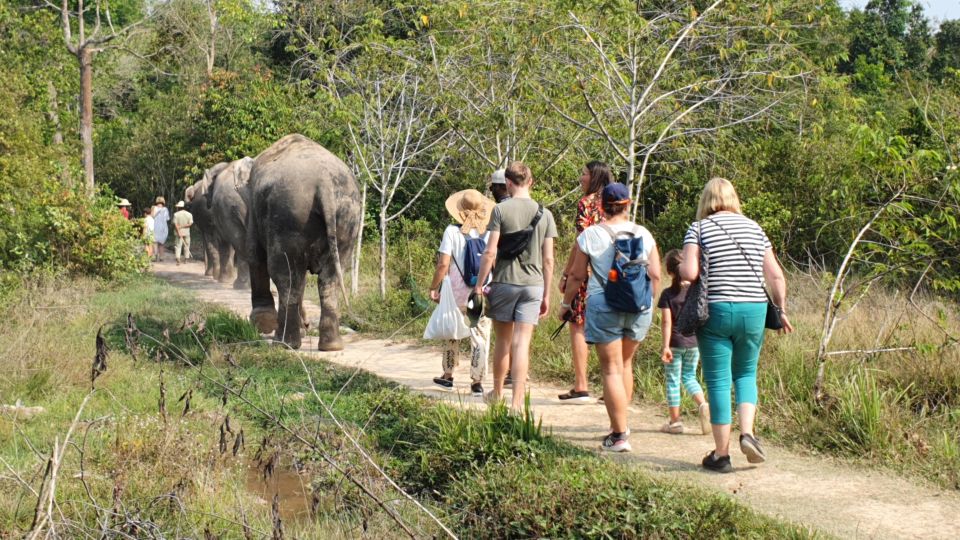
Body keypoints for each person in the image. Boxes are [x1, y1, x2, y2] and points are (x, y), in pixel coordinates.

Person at [679, 177, 794, 473]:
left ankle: (721, 454)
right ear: (733, 198)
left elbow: (690, 272)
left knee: (717, 380)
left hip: (716, 309)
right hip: (754, 310)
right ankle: (748, 434)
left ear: (706, 201)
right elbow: (777, 276)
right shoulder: (755, 228)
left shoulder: (699, 228)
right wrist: (780, 311)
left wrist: (682, 265)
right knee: (746, 373)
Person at [560, 183, 660, 452]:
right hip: (639, 307)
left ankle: (619, 435)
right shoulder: (644, 233)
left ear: (602, 206)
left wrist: (566, 303)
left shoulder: (591, 235)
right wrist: (646, 303)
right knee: (625, 363)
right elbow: (656, 275)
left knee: (612, 368)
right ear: (627, 205)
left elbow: (578, 276)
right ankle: (622, 425)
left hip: (604, 305)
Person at [474, 161, 557, 411]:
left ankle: (498, 392)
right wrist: (546, 294)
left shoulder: (500, 211)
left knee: (503, 341)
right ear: (530, 182)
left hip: (504, 283)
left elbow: (489, 253)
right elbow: (549, 259)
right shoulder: (545, 214)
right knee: (522, 343)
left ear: (508, 183)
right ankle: (518, 402)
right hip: (533, 286)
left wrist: (479, 285)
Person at [427, 189, 495, 397]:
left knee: (452, 331)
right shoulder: (490, 232)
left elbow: (443, 264)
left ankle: (448, 375)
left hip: (456, 292)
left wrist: (433, 287)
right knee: (480, 334)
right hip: (481, 291)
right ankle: (477, 381)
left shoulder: (452, 231)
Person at [558, 161, 611, 403]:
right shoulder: (615, 204)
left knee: (578, 324)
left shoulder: (586, 204)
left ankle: (581, 384)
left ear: (595, 177)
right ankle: (611, 387)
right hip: (613, 273)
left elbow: (581, 242)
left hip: (588, 272)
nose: (581, 178)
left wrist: (568, 273)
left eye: (585, 174)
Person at [658, 249, 710, 435]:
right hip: (695, 342)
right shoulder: (696, 292)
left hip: (675, 343)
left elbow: (666, 322)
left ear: (669, 271)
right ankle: (703, 404)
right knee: (689, 377)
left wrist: (665, 346)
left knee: (672, 380)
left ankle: (675, 422)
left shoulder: (667, 295)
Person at [173, 201, 194, 265]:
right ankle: (186, 259)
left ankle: (178, 259)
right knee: (187, 246)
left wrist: (179, 230)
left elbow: (175, 224)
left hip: (178, 232)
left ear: (179, 207)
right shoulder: (189, 214)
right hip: (187, 232)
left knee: (178, 246)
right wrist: (183, 226)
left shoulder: (176, 214)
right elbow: (190, 223)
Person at [152, 196, 170, 262]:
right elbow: (167, 219)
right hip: (163, 227)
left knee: (155, 242)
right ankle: (161, 257)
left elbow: (152, 217)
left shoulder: (154, 208)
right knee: (161, 243)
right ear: (163, 202)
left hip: (155, 226)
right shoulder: (165, 209)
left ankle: (155, 256)